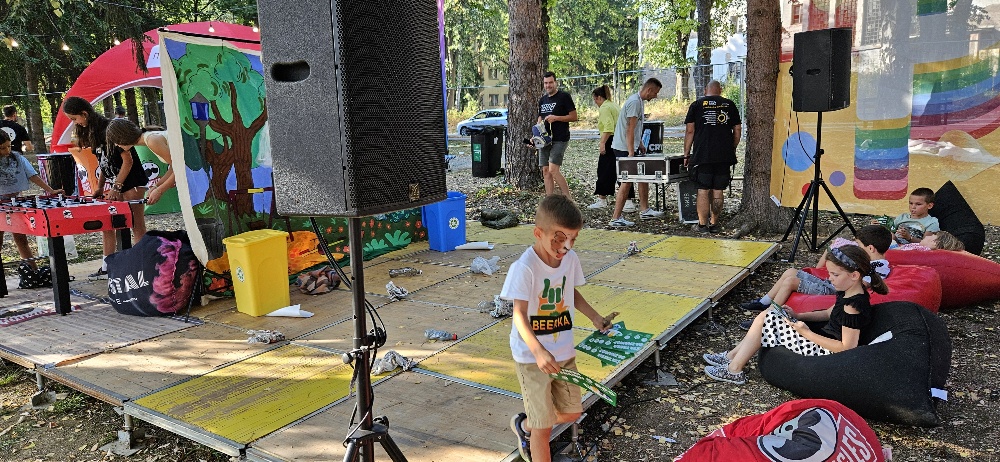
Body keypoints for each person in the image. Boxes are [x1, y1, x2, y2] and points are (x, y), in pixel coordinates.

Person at [502, 194, 611, 462]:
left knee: (572, 412)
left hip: (563, 352)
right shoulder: (524, 267)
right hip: (532, 358)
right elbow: (518, 315)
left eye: (573, 238)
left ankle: (524, 425)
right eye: (559, 238)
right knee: (544, 428)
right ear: (538, 233)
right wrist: (538, 351)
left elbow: (569, 291)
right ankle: (535, 428)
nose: (566, 246)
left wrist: (595, 317)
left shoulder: (570, 260)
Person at [704, 244, 889, 385]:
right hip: (821, 340)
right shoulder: (846, 292)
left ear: (854, 276)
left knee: (767, 318)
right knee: (771, 313)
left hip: (826, 354)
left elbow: (846, 348)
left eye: (835, 275)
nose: (830, 278)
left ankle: (734, 369)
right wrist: (799, 316)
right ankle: (731, 358)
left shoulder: (853, 305)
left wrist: (806, 333)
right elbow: (827, 313)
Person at [63, 96, 147, 278]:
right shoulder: (92, 132)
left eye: (74, 118)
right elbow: (103, 162)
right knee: (108, 224)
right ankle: (107, 267)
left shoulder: (111, 129)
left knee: (136, 225)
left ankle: (141, 266)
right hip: (115, 183)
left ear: (84, 114)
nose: (75, 123)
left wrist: (117, 187)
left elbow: (128, 161)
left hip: (131, 182)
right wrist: (100, 187)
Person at [739, 225, 892, 314]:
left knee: (791, 282)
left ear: (870, 248)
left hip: (834, 290)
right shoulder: (868, 260)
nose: (856, 247)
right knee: (790, 272)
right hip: (830, 283)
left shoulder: (879, 267)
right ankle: (764, 302)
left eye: (858, 245)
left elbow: (861, 285)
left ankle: (768, 316)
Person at [684, 80, 742, 234]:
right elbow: (737, 129)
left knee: (703, 190)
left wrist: (686, 153)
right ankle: (714, 223)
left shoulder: (696, 105)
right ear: (720, 90)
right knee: (718, 190)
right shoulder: (729, 105)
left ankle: (702, 225)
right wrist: (732, 147)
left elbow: (690, 131)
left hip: (703, 155)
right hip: (724, 155)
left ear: (705, 90)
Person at [0, 130, 62, 269]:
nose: (7, 150)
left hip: (15, 202)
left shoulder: (17, 158)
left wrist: (50, 190)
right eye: (2, 148)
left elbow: (32, 175)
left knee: (21, 238)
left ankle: (33, 270)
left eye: (9, 146)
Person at [607, 78, 665, 228]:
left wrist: (640, 144)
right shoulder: (634, 102)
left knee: (642, 176)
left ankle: (645, 209)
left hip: (631, 146)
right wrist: (631, 153)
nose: (656, 96)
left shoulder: (639, 101)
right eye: (655, 93)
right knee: (626, 182)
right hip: (624, 148)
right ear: (649, 90)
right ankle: (615, 218)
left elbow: (636, 127)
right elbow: (629, 129)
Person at [106, 119, 174, 205]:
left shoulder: (151, 140)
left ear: (122, 137)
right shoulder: (149, 139)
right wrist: (156, 186)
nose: (116, 145)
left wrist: (159, 190)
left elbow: (181, 168)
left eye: (115, 141)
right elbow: (174, 167)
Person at [537, 71, 577, 196]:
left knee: (553, 170)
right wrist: (536, 135)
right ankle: (549, 200)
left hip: (560, 138)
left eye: (550, 82)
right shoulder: (542, 100)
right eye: (545, 83)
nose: (548, 85)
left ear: (555, 83)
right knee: (545, 170)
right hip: (545, 140)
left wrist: (556, 118)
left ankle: (568, 199)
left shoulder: (564, 96)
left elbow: (574, 117)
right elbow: (540, 118)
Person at [588, 85, 622, 209]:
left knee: (603, 170)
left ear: (599, 97)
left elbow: (608, 127)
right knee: (621, 169)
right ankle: (628, 200)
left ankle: (602, 199)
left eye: (595, 100)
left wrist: (602, 143)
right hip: (620, 140)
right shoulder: (614, 105)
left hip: (609, 140)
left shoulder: (604, 108)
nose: (595, 103)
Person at [896, 230, 965, 251]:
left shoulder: (922, 249)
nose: (927, 236)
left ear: (935, 243)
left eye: (931, 236)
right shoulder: (919, 246)